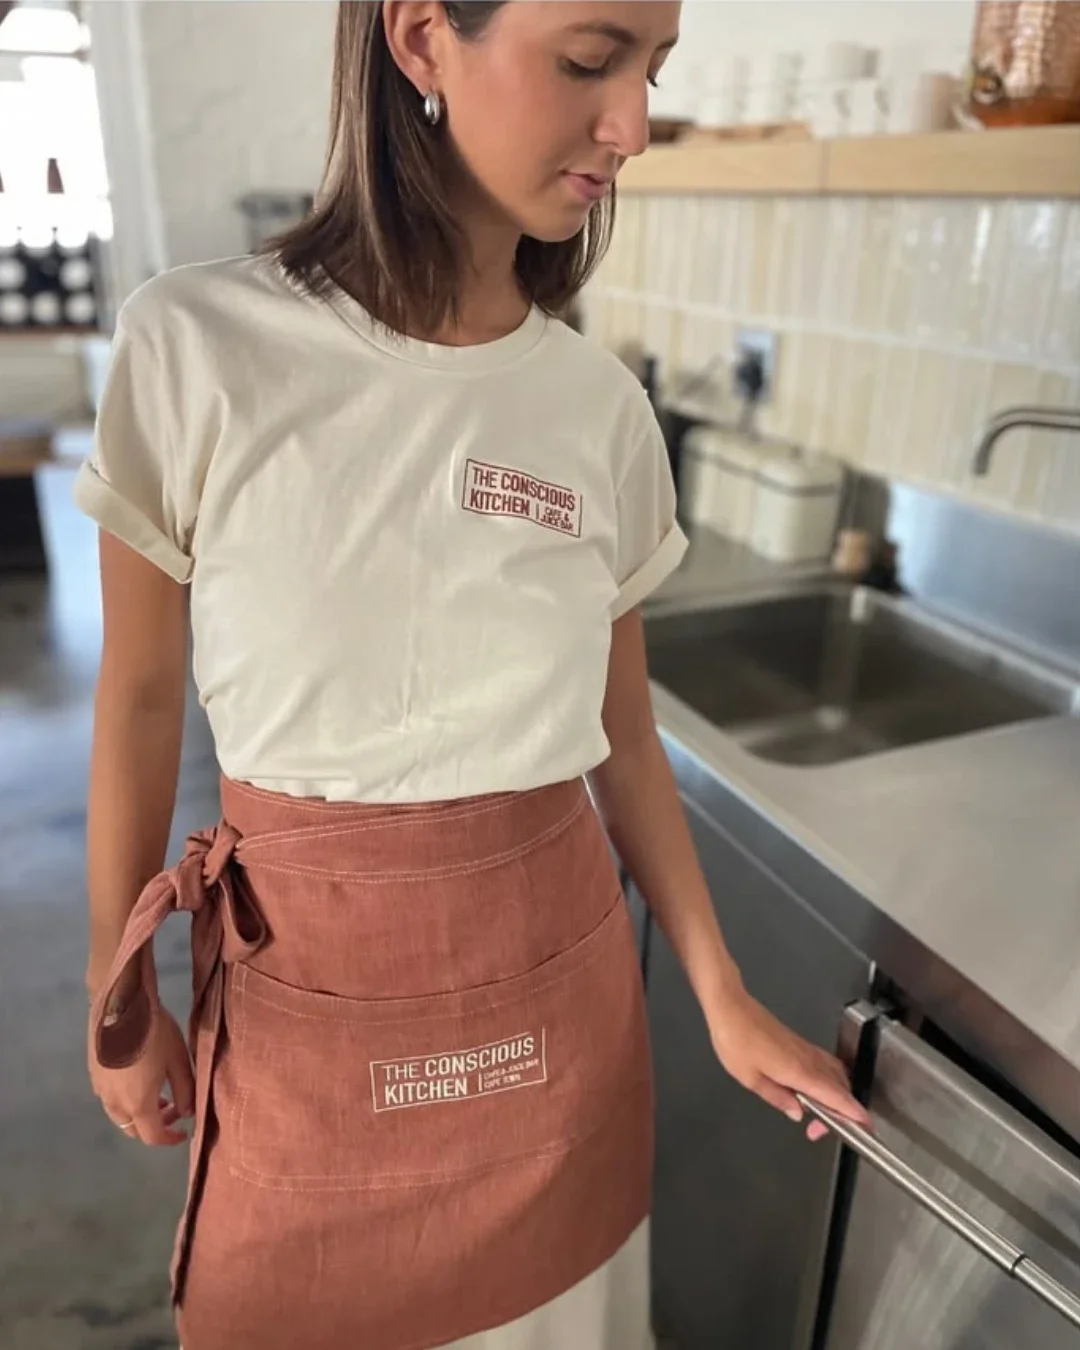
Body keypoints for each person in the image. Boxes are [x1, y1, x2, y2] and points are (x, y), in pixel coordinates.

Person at [77, 4, 870, 1349]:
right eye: (588, 60)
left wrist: (719, 988)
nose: (630, 126)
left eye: (651, 75)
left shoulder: (598, 414)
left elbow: (619, 730)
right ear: (421, 36)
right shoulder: (195, 346)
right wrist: (122, 984)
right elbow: (141, 694)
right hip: (303, 1032)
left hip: (558, 1048)